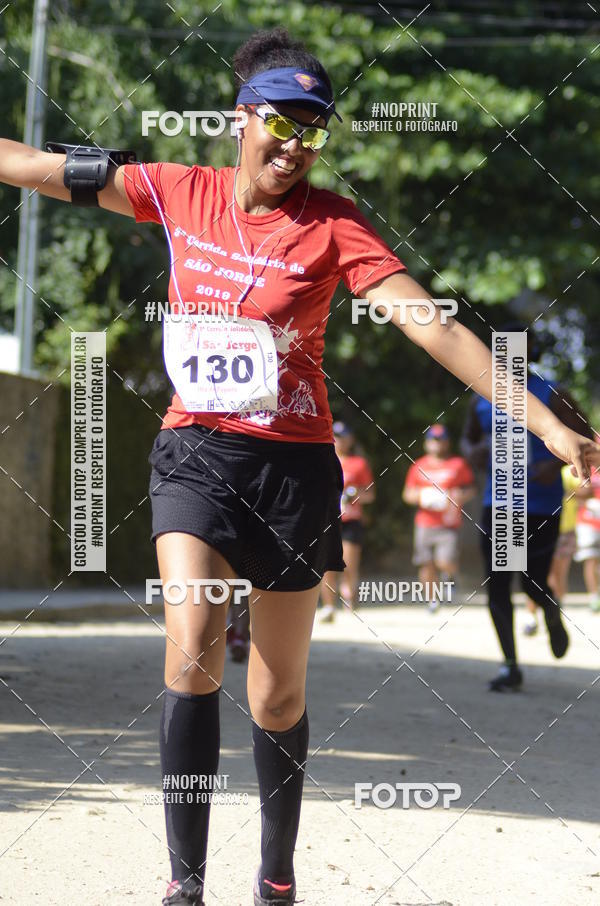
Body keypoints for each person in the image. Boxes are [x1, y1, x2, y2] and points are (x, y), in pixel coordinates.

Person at [2, 28, 599, 906]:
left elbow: (430, 323)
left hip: (293, 471)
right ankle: (185, 884)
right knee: (193, 647)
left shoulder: (336, 227)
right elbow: (45, 167)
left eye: (313, 130)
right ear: (240, 118)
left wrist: (544, 422)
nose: (294, 144)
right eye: (280, 122)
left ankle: (275, 878)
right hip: (195, 454)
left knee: (277, 699)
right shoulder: (176, 192)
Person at [462, 324, 593, 691]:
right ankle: (510, 667)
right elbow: (468, 439)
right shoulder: (482, 396)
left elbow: (586, 437)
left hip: (539, 504)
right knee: (499, 585)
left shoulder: (551, 393)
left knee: (532, 584)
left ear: (530, 350)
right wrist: (474, 452)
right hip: (499, 501)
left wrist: (554, 466)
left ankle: (550, 611)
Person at [402, 424, 476, 611]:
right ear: (427, 443)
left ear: (447, 442)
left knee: (445, 560)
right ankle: (432, 600)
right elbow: (407, 494)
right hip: (425, 522)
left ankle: (450, 576)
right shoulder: (418, 465)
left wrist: (459, 496)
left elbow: (471, 488)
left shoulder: (457, 464)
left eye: (440, 440)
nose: (436, 444)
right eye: (433, 440)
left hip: (448, 522)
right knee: (425, 562)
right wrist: (423, 497)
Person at [523, 463, 587, 635]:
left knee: (558, 574)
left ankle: (555, 612)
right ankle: (532, 616)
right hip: (541, 528)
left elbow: (587, 492)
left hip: (565, 530)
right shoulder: (532, 467)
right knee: (535, 575)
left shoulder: (569, 471)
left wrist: (565, 493)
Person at [320, 421, 375, 620]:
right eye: (337, 437)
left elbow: (370, 494)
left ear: (350, 439)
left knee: (349, 563)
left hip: (351, 520)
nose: (340, 441)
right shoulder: (323, 459)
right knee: (326, 564)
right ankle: (328, 606)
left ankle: (349, 600)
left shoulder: (358, 463)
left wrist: (354, 495)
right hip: (327, 519)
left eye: (344, 437)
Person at [573, 465, 600, 612]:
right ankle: (594, 597)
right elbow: (576, 492)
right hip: (588, 522)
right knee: (591, 559)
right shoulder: (585, 464)